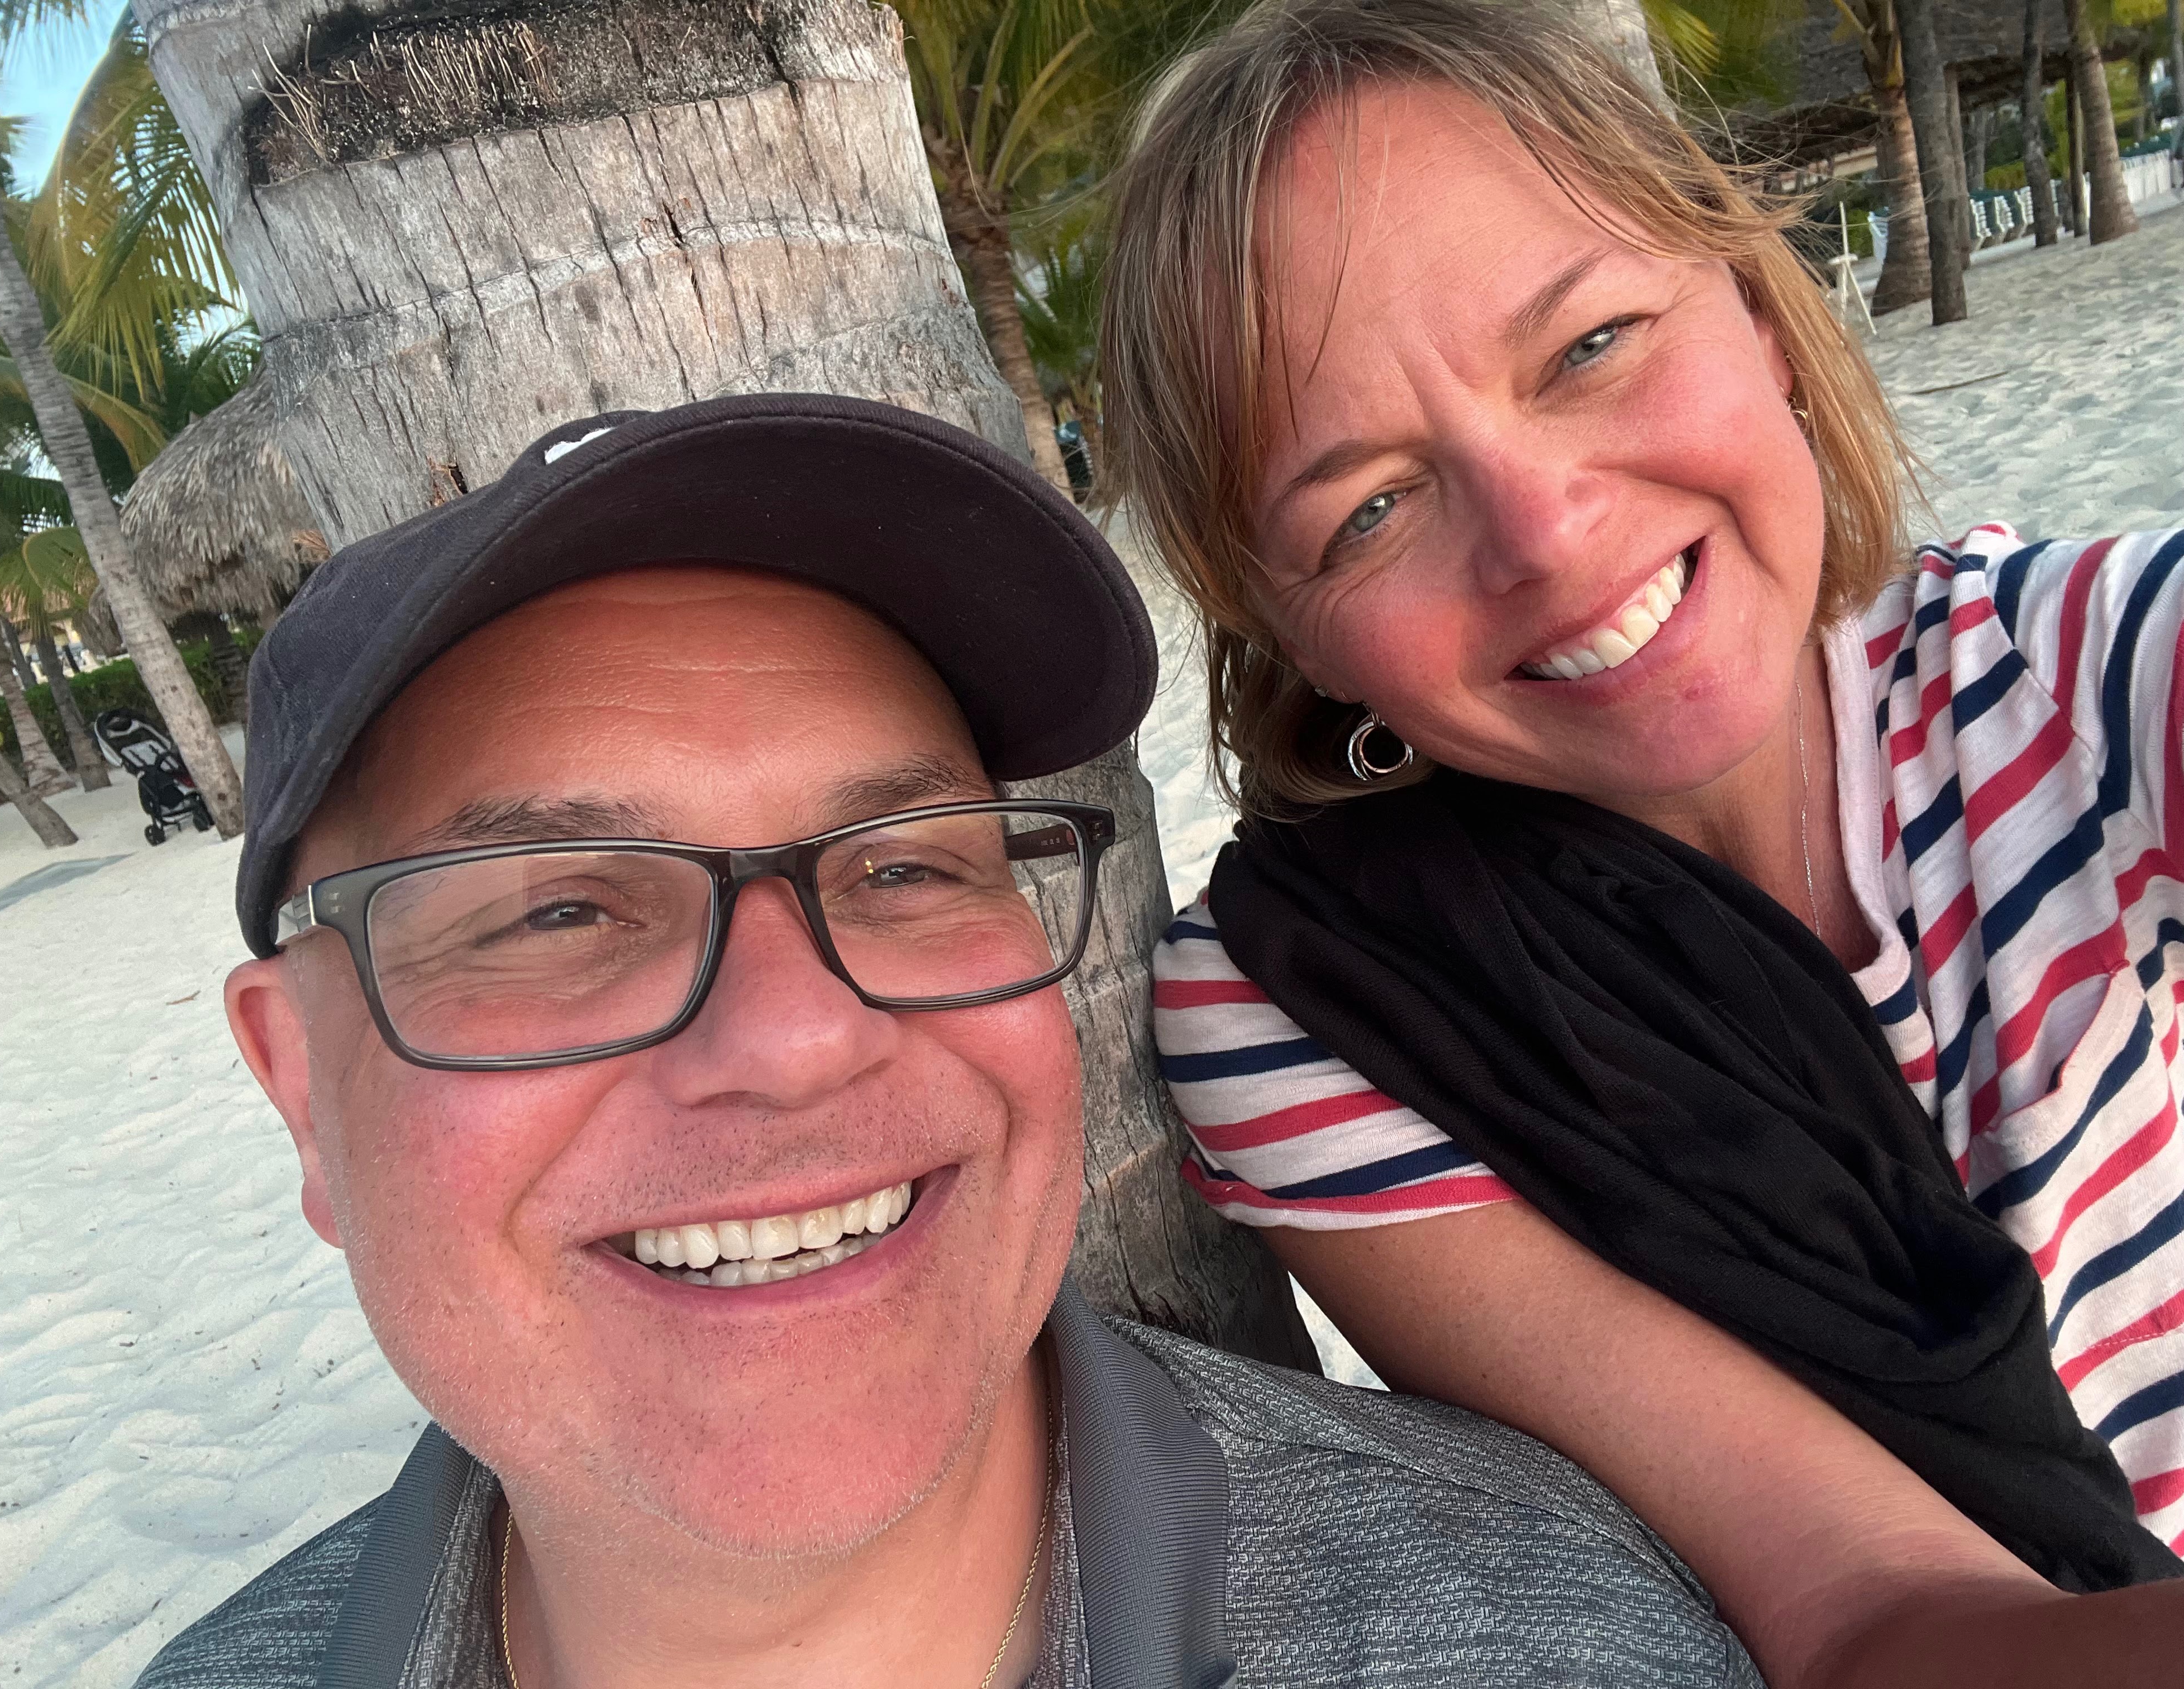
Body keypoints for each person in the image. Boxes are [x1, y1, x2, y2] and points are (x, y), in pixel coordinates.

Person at [133, 395, 1767, 1689]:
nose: (798, 1037)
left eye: (904, 868)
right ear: (302, 1090)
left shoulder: (1556, 1635)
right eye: (560, 910)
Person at [1101, 0, 2184, 1681]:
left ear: (1757, 308)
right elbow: (1863, 1606)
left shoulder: (2088, 675)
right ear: (1290, 631)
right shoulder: (1319, 1011)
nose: (1544, 532)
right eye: (1369, 506)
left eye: (1591, 345)